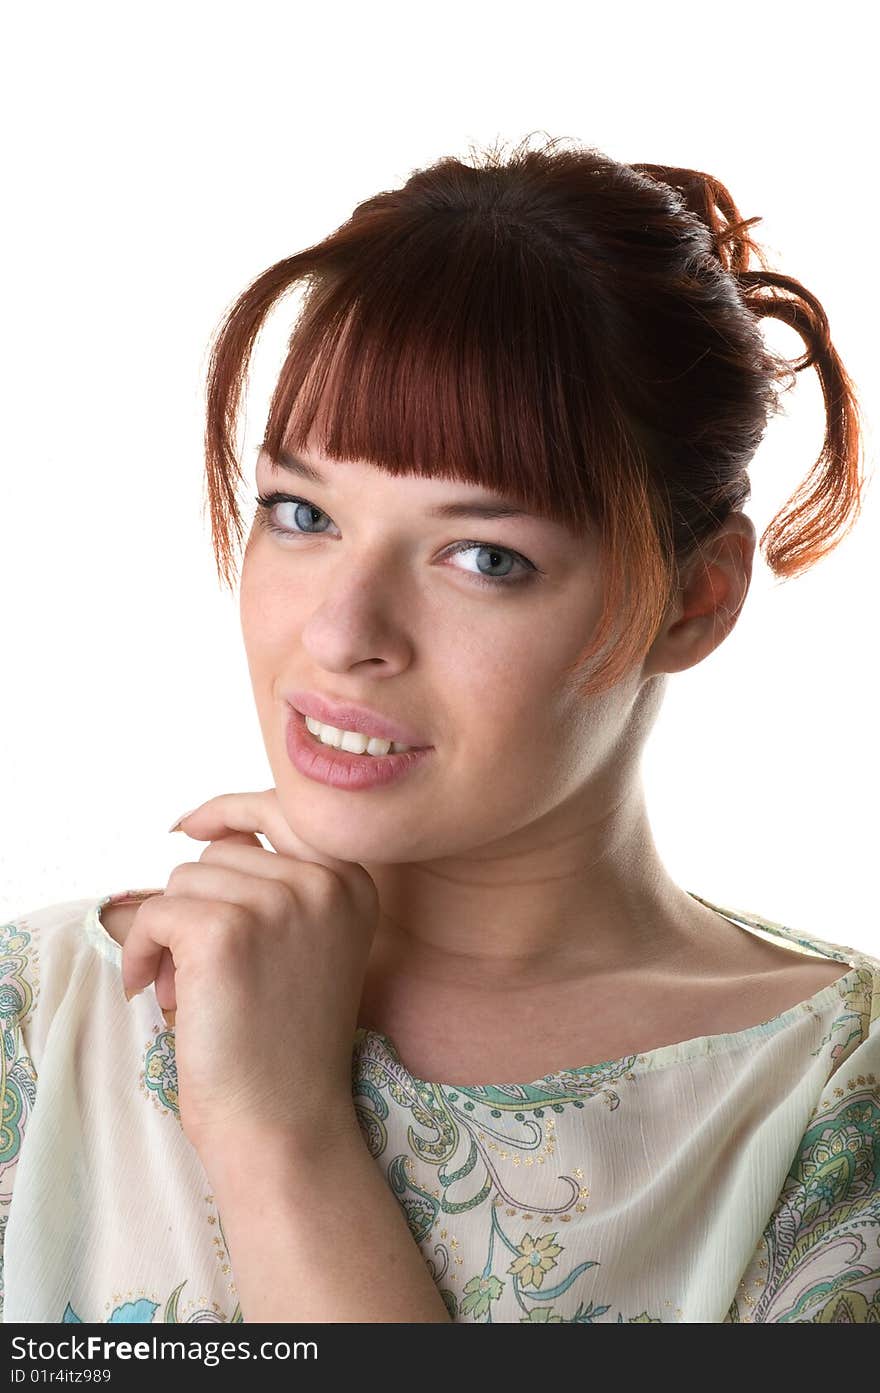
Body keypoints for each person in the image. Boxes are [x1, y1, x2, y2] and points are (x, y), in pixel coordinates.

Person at [2, 134, 877, 1325]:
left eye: (483, 555)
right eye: (301, 512)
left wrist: (279, 1135)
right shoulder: (41, 1021)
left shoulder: (830, 1101)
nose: (341, 632)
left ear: (695, 597)